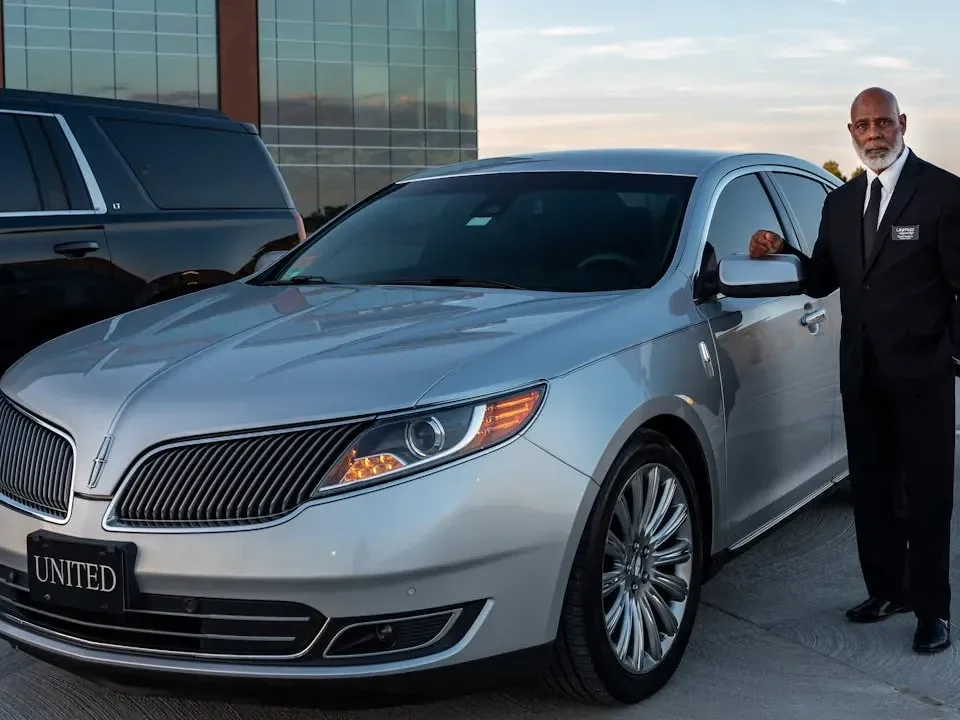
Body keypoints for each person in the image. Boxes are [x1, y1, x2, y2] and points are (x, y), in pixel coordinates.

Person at [749, 87, 960, 654]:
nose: (874, 134)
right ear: (851, 132)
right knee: (873, 489)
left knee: (927, 493)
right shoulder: (840, 204)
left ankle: (933, 610)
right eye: (863, 125)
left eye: (884, 123)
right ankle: (888, 591)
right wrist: (779, 249)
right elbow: (822, 279)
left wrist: (952, 358)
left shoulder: (943, 193)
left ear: (902, 124)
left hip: (923, 377)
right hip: (861, 375)